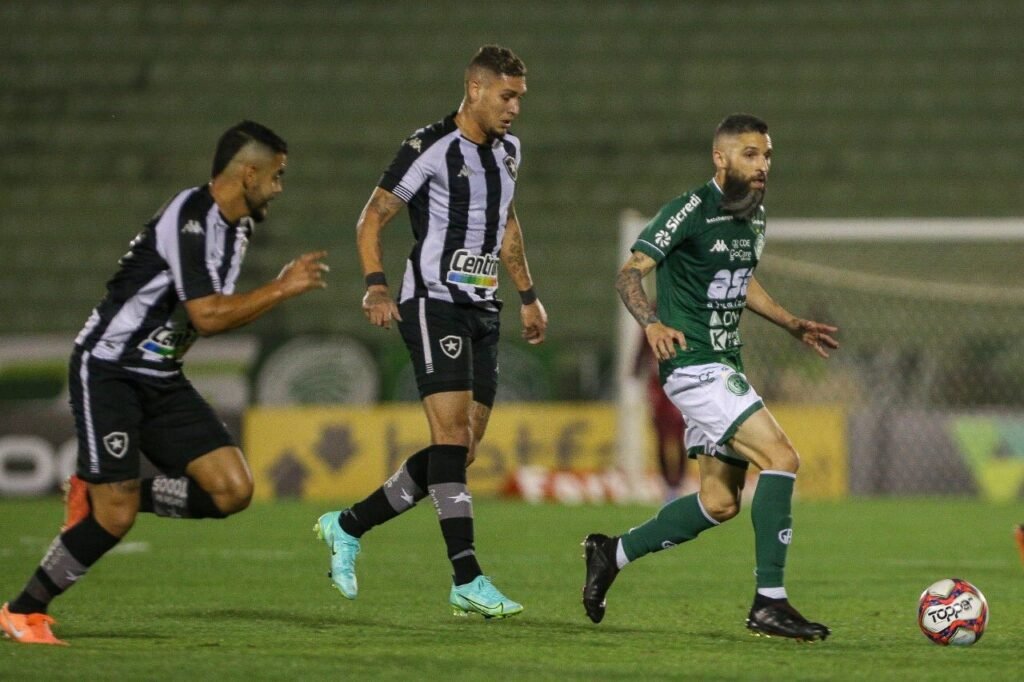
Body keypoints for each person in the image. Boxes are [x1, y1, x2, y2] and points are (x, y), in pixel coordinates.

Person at [0, 121, 328, 645]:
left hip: (160, 376)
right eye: (276, 175)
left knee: (231, 490)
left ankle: (104, 489)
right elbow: (209, 316)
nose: (279, 188)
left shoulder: (238, 227)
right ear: (248, 173)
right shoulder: (190, 218)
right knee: (113, 520)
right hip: (110, 369)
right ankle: (22, 611)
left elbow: (211, 315)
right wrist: (282, 288)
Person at [582, 114, 838, 641]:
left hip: (727, 362)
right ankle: (769, 601)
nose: (763, 164)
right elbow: (629, 272)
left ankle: (612, 553)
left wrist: (791, 323)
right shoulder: (688, 210)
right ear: (720, 158)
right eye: (750, 153)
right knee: (783, 458)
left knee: (719, 503)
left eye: (767, 155)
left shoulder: (755, 216)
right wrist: (651, 324)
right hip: (695, 364)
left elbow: (740, 282)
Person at [315, 45, 547, 619]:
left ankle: (347, 525)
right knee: (447, 438)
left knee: (461, 450)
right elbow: (373, 216)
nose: (515, 107)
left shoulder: (511, 150)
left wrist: (527, 294)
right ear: (474, 89)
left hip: (484, 306)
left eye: (521, 97)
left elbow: (506, 222)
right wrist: (375, 284)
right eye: (507, 95)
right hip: (432, 303)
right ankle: (466, 577)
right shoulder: (429, 148)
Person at [634, 324, 689, 500]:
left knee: (683, 436)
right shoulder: (652, 312)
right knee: (662, 436)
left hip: (683, 381)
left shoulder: (684, 311)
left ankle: (678, 483)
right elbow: (643, 343)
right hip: (658, 385)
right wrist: (636, 367)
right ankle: (668, 485)